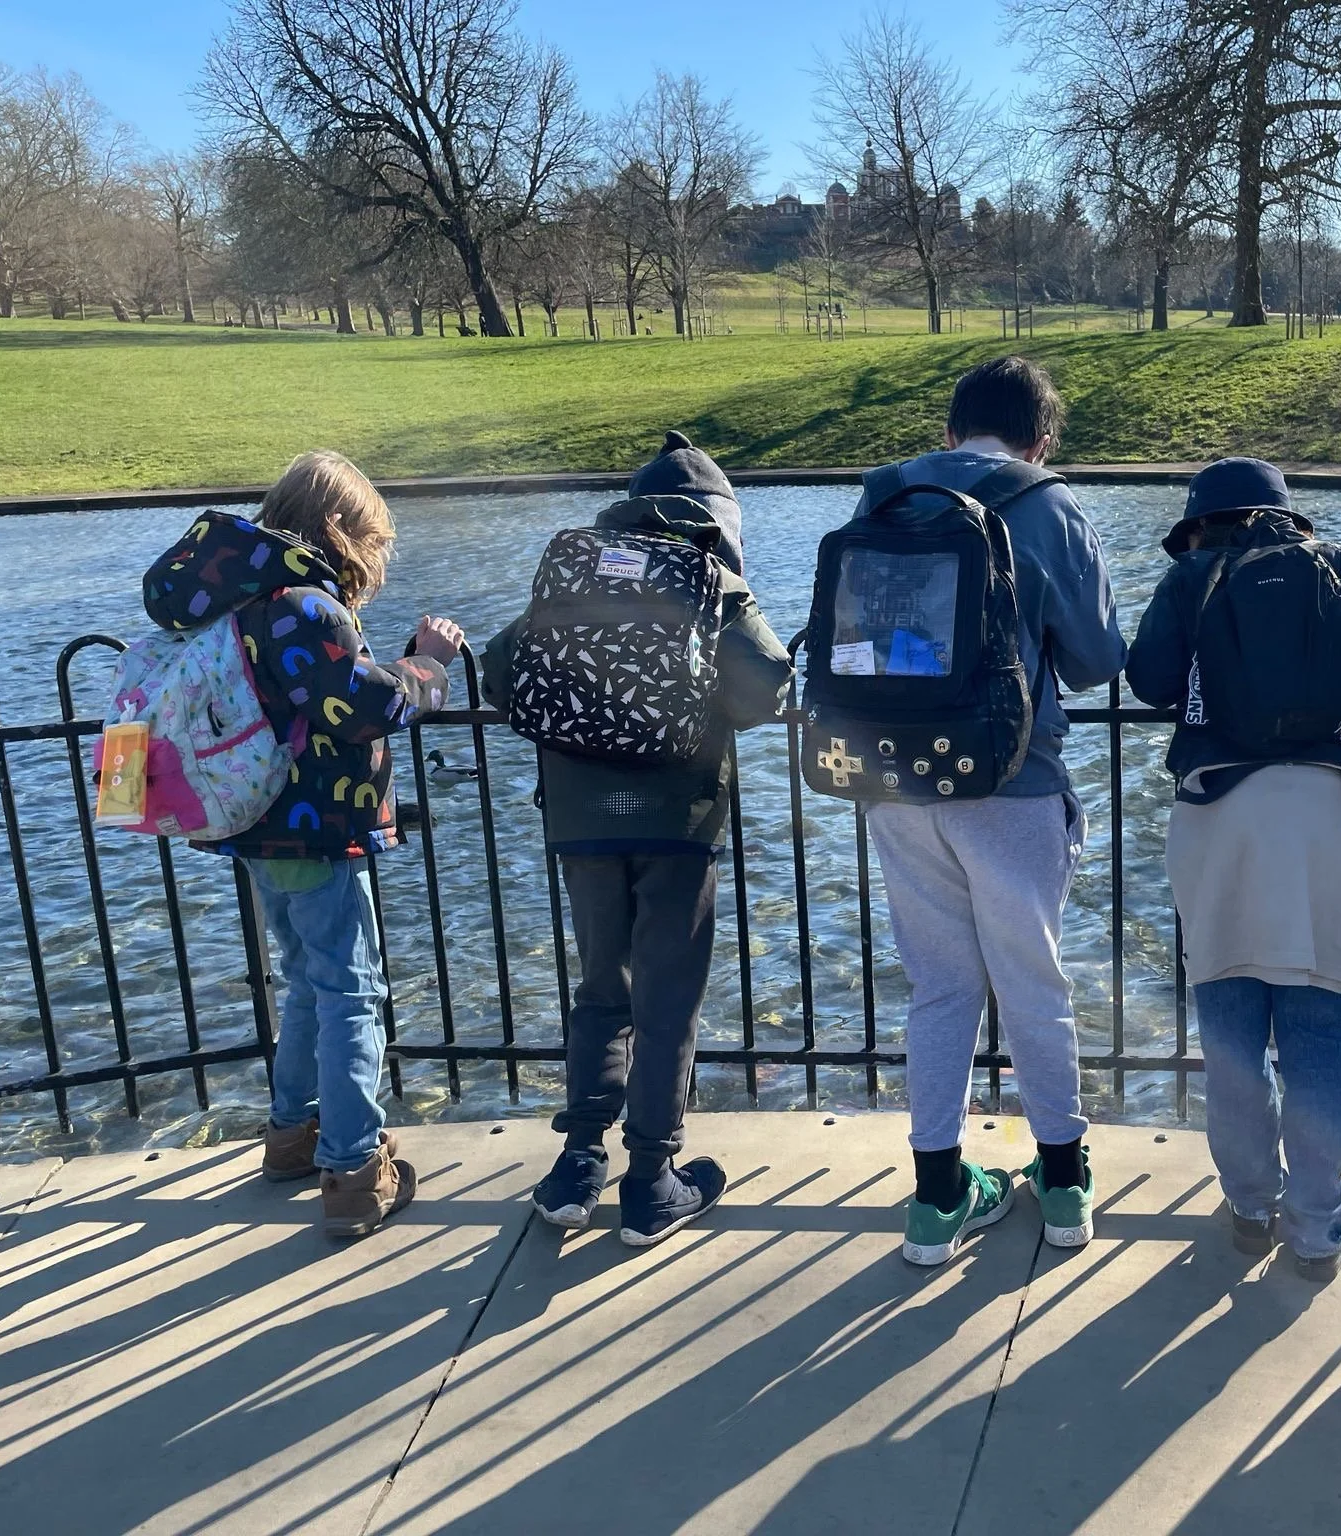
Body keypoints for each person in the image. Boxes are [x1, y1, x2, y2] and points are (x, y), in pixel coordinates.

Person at [140, 451, 462, 1238]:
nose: (375, 558)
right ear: (337, 528)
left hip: (252, 826)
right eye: (372, 539)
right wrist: (427, 663)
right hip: (316, 834)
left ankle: (291, 1135)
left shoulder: (232, 598)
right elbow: (358, 709)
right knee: (353, 992)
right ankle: (354, 1167)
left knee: (308, 983)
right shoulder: (301, 606)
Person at [483, 431, 792, 1247]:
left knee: (600, 990)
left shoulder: (579, 568)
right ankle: (652, 1177)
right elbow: (766, 687)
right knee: (668, 1000)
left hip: (580, 822)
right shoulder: (712, 578)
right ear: (719, 522)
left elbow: (503, 671)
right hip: (679, 825)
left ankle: (578, 1164)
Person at [861, 356, 1126, 1267]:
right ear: (1040, 439)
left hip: (895, 780)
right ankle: (1063, 1185)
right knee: (1033, 986)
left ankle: (937, 1200)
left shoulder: (885, 494)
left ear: (949, 431)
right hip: (1011, 782)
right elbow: (1096, 660)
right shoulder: (1047, 503)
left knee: (939, 990)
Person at [1125, 458, 1341, 1281]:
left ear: (1203, 522)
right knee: (1320, 1031)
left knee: (1232, 1030)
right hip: (1326, 813)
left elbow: (1146, 679)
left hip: (1219, 813)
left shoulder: (1196, 575)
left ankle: (1249, 1205)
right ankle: (1317, 1223)